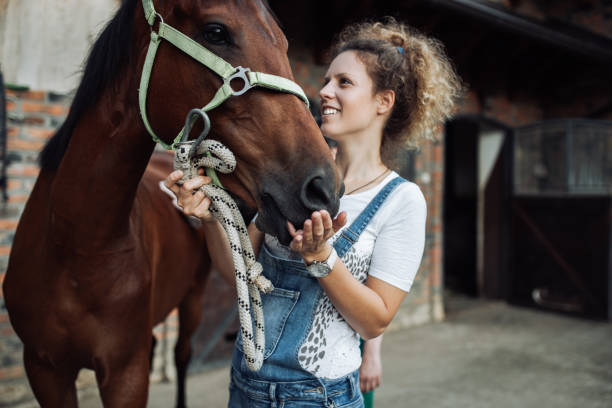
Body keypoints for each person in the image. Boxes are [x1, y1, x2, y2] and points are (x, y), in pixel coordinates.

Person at [165, 17, 461, 408]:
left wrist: (322, 258)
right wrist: (209, 218)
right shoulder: (293, 177)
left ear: (383, 102)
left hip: (318, 398)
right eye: (326, 81)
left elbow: (375, 319)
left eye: (344, 83)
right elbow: (234, 267)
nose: (325, 92)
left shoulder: (401, 200)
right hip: (245, 387)